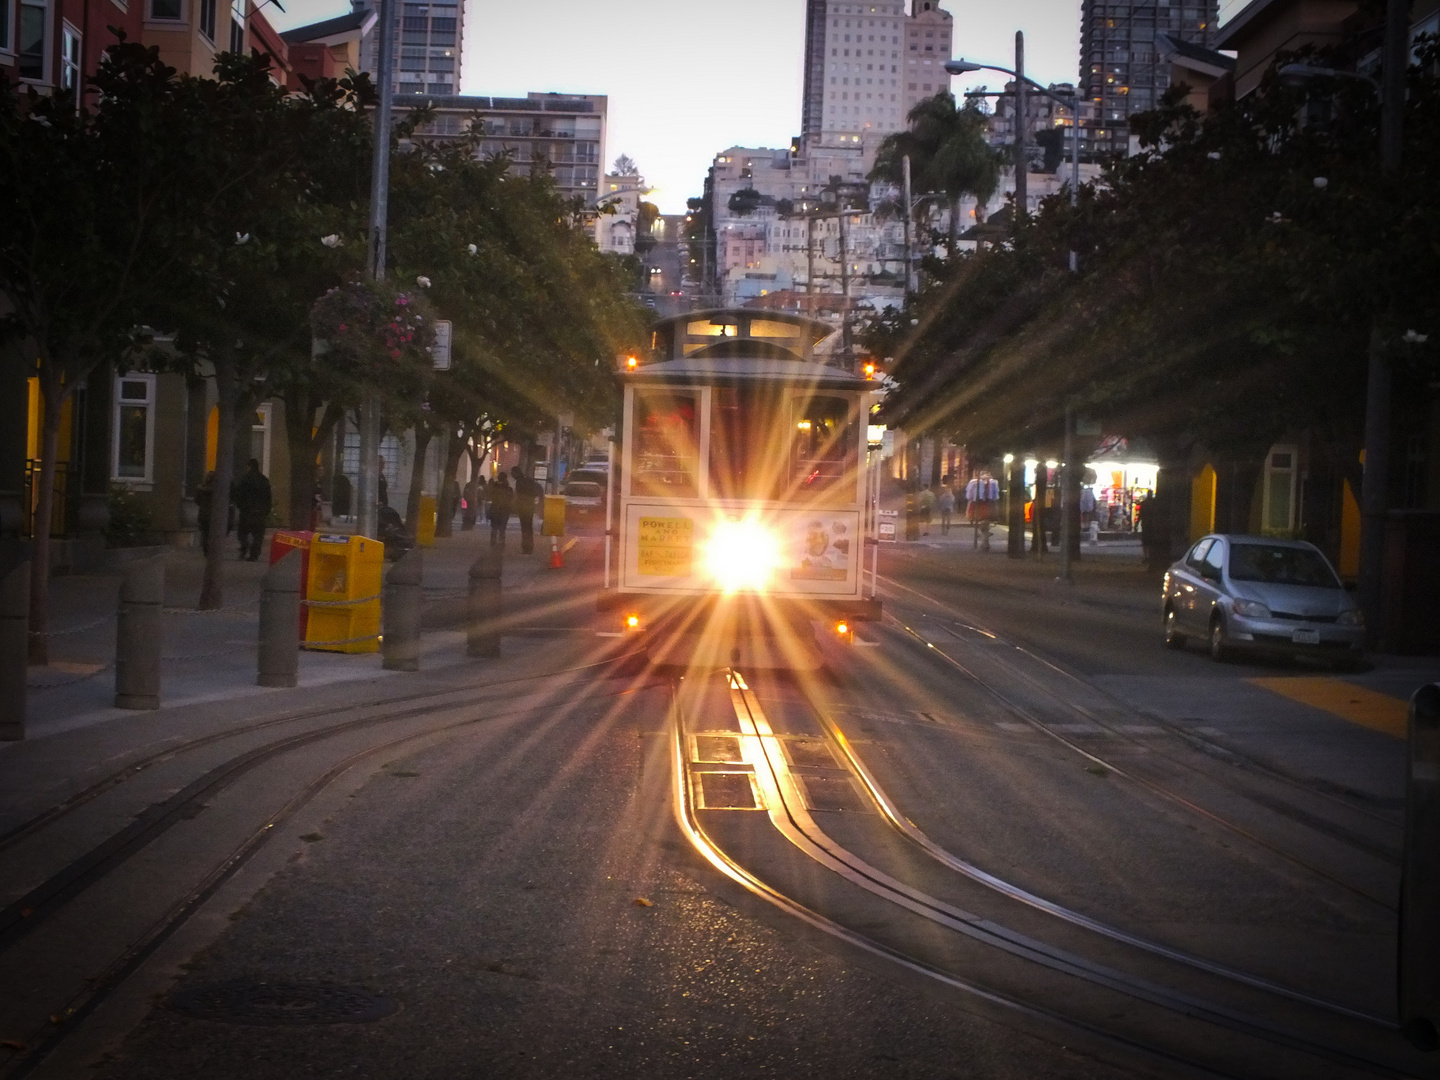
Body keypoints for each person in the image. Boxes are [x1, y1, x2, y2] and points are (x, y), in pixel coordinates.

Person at [232, 458, 272, 561]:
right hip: (260, 511)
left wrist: (241, 506)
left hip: (247, 511)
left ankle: (244, 547)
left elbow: (239, 495)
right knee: (258, 535)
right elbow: (268, 497)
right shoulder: (264, 480)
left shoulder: (245, 479)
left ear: (249, 466)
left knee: (243, 532)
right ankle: (254, 554)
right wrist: (266, 509)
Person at [511, 466, 538, 554]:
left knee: (525, 528)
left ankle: (526, 547)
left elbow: (517, 496)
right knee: (529, 528)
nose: (512, 475)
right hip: (530, 507)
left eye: (512, 473)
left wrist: (514, 506)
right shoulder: (528, 481)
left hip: (523, 508)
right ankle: (529, 547)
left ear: (516, 473)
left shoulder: (519, 482)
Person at [487, 473, 513, 549]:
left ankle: (493, 542)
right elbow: (511, 499)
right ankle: (501, 542)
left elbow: (490, 495)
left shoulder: (495, 487)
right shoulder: (508, 488)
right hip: (504, 510)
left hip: (495, 509)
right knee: (502, 528)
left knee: (494, 527)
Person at [195, 471, 216, 555]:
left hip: (203, 514)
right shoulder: (217, 491)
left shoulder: (201, 489)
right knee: (213, 534)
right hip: (214, 515)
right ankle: (212, 550)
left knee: (205, 533)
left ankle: (206, 550)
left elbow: (196, 500)